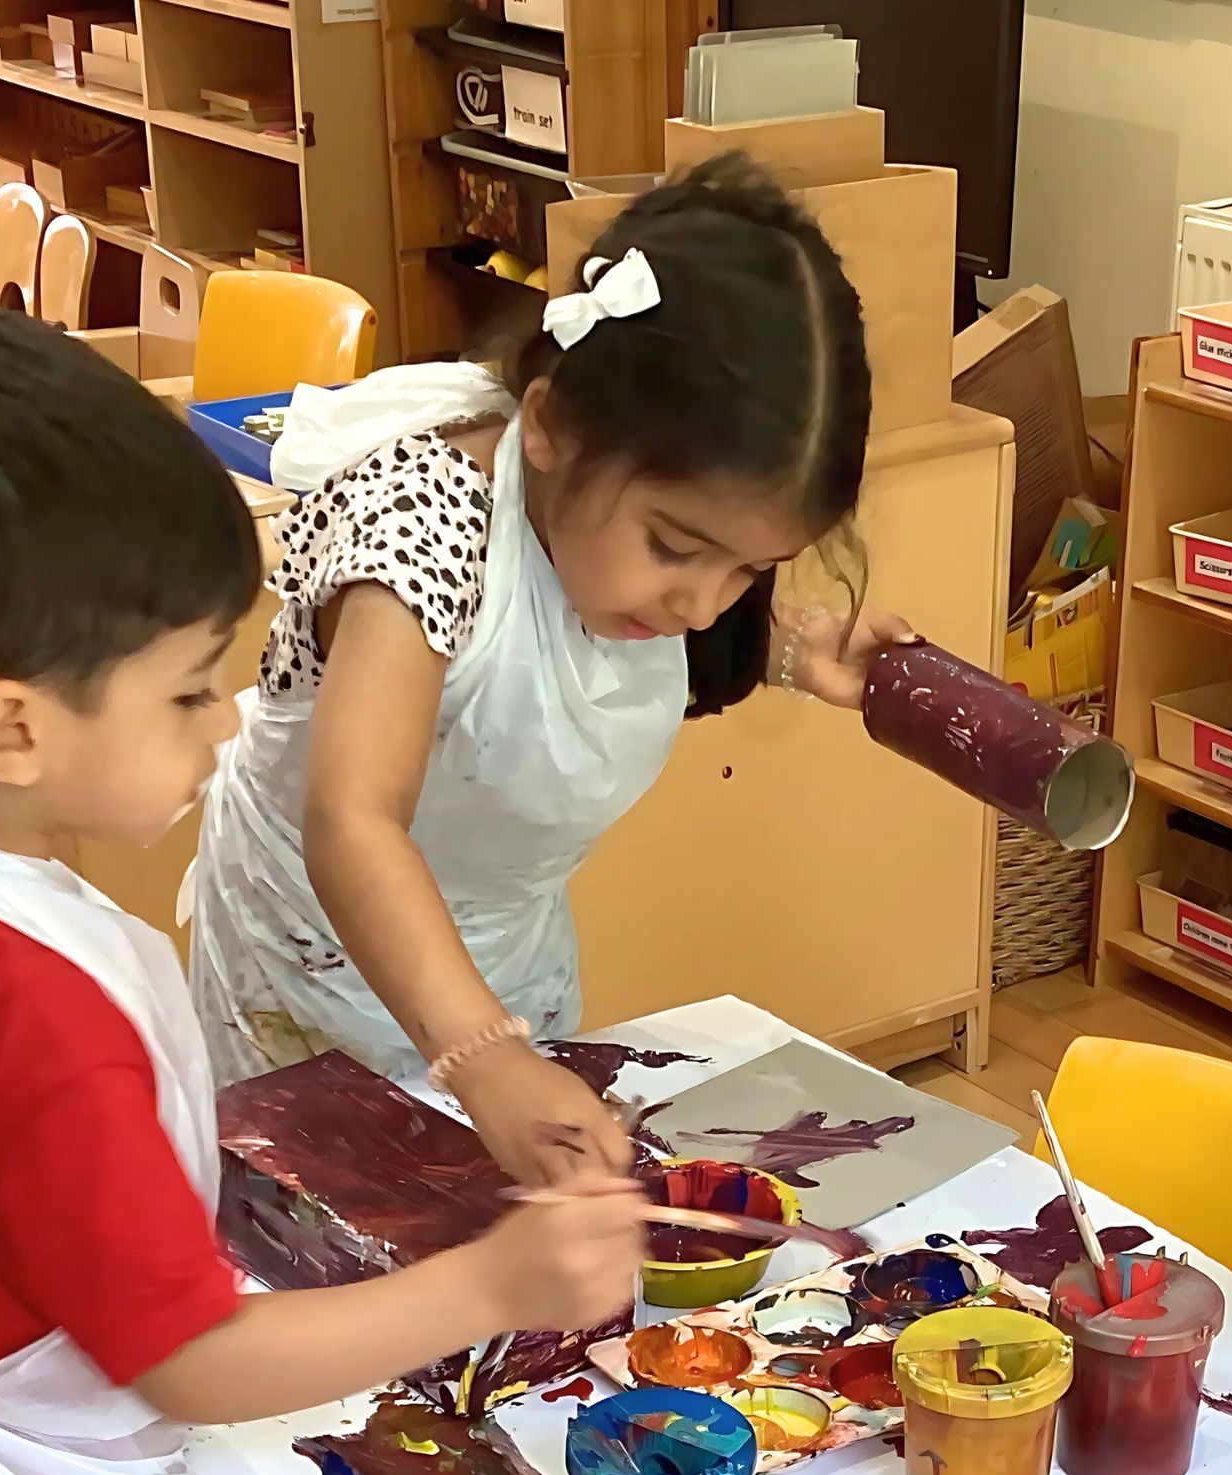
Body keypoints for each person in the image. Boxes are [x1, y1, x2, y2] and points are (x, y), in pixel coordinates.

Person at [0, 306, 646, 1475]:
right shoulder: (42, 1017)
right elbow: (188, 1360)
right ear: (14, 731)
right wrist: (493, 1280)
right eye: (190, 691)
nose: (220, 726)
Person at [187, 154, 904, 1185]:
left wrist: (791, 644)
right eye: (676, 546)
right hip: (308, 964)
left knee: (499, 1253)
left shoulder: (626, 553)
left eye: (749, 567)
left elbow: (589, 646)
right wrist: (482, 1056)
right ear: (556, 425)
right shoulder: (420, 525)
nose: (703, 604)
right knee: (343, 1252)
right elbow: (354, 820)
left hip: (501, 960)